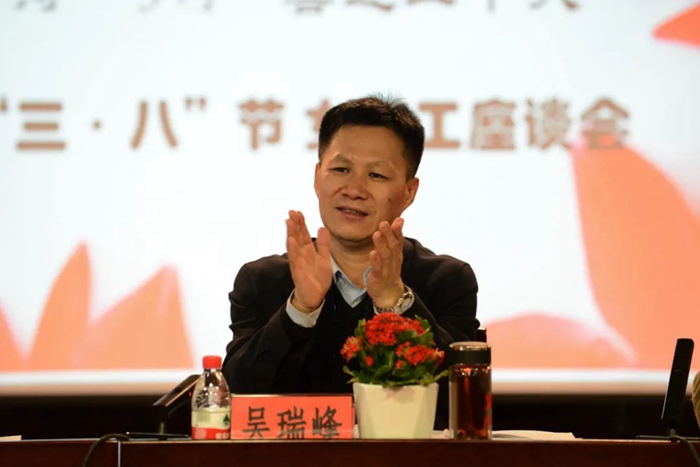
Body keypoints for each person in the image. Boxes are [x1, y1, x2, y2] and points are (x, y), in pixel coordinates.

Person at [222, 95, 479, 429]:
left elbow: (459, 402)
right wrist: (299, 311)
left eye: (376, 175)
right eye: (340, 169)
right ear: (318, 177)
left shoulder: (446, 280)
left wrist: (394, 301)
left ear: (409, 192)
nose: (354, 189)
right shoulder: (262, 281)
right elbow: (235, 400)